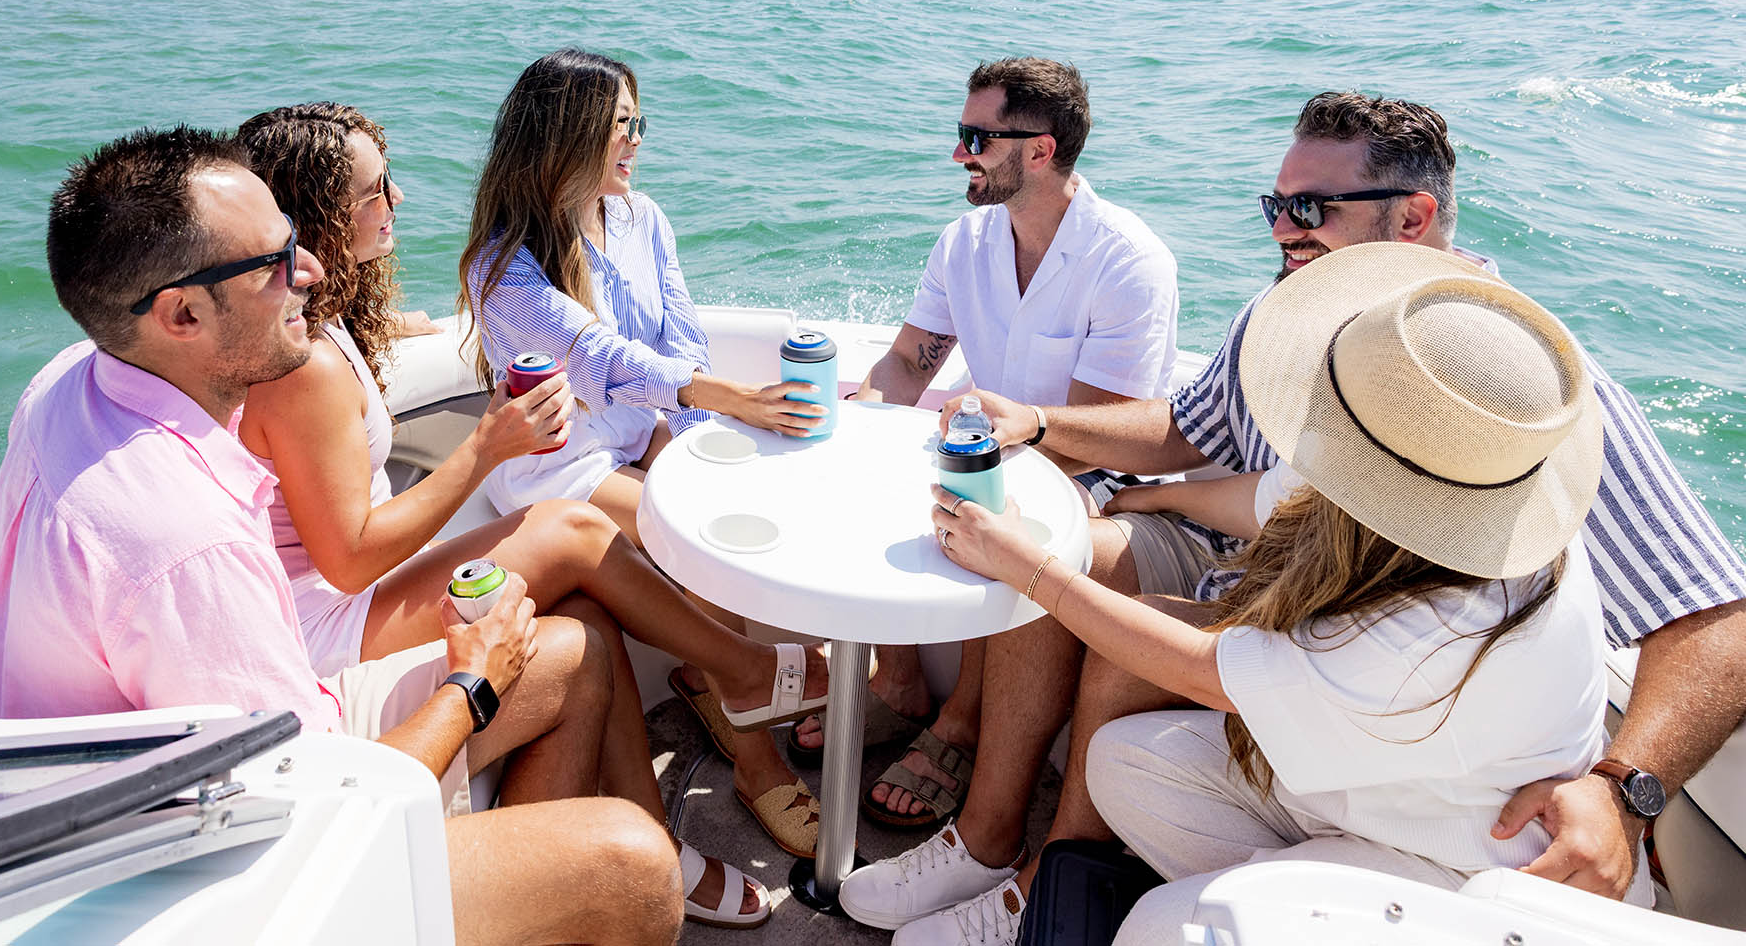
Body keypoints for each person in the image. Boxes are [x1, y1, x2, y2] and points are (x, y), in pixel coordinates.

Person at [868, 91, 1746, 927]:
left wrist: (1625, 788)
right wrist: (1048, 423)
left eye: (1313, 208)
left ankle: (1049, 875)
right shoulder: (1289, 308)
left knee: (1092, 611)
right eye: (1275, 206)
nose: (1285, 231)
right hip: (1258, 576)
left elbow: (1717, 620)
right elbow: (1190, 422)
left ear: (1412, 219)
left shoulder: (1525, 397)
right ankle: (989, 838)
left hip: (1362, 655)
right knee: (1073, 542)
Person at [0, 127, 683, 946]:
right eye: (275, 263)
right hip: (194, 876)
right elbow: (323, 812)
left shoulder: (72, 377)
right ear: (183, 314)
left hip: (208, 768)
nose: (308, 269)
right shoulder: (186, 544)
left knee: (578, 652)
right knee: (631, 864)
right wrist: (473, 682)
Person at [234, 101, 835, 925]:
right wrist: (485, 449)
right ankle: (744, 672)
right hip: (322, 622)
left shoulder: (319, 325)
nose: (400, 200)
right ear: (319, 214)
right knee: (578, 531)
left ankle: (655, 831)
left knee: (590, 613)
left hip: (340, 593)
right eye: (377, 190)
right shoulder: (298, 365)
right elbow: (344, 561)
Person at [458, 47, 831, 858]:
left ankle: (714, 680)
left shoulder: (641, 217)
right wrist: (720, 397)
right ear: (567, 135)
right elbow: (601, 358)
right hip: (557, 468)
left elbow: (682, 332)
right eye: (620, 125)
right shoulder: (503, 264)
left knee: (705, 507)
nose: (635, 141)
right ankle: (754, 744)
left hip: (636, 437)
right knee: (691, 532)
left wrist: (678, 438)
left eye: (638, 123)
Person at [815, 57, 1179, 830]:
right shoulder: (966, 241)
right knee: (865, 473)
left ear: (1040, 151)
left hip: (1097, 478)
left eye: (976, 137)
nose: (959, 154)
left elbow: (1092, 439)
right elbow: (910, 362)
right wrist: (865, 421)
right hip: (987, 449)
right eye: (962, 133)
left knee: (996, 514)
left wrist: (976, 468)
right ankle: (897, 682)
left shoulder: (1128, 261)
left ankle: (959, 726)